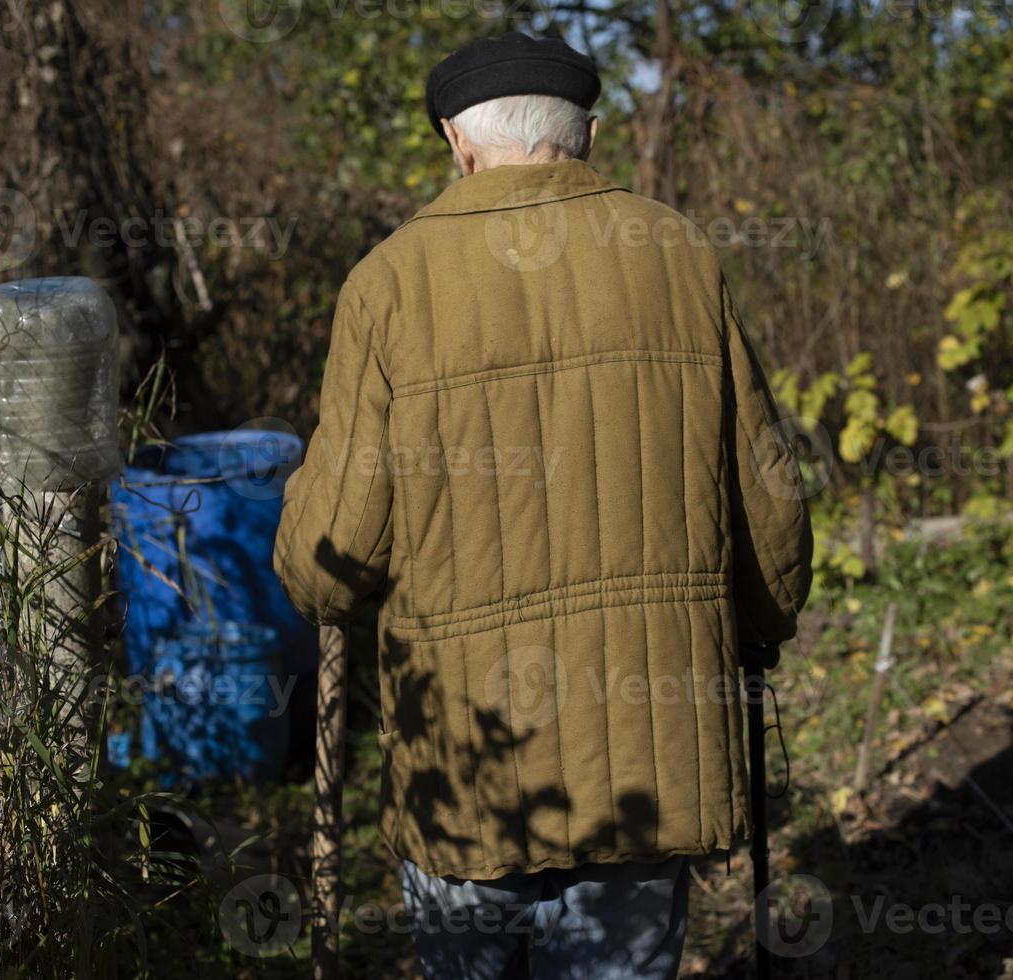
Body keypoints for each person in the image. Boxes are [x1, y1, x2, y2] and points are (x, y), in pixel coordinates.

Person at [274, 30, 813, 979]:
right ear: (590, 134)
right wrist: (761, 624)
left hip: (468, 769)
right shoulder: (678, 256)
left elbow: (334, 556)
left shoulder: (389, 283)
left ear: (456, 139)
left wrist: (307, 564)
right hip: (650, 762)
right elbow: (765, 496)